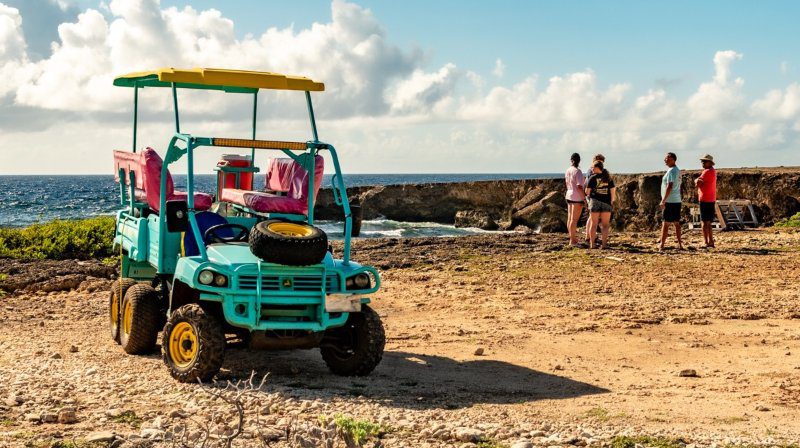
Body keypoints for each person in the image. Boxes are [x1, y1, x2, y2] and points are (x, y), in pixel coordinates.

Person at [585, 160, 616, 249]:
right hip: (606, 203)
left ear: (597, 168)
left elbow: (587, 192)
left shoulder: (592, 178)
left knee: (594, 224)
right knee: (605, 225)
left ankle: (592, 244)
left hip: (595, 202)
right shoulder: (608, 177)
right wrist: (612, 201)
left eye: (593, 167)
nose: (591, 169)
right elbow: (613, 191)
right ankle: (604, 244)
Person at [659, 152, 683, 250]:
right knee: (676, 223)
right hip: (677, 200)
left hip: (670, 200)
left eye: (667, 158)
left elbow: (670, 186)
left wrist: (663, 200)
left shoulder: (672, 171)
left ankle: (662, 244)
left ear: (672, 159)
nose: (665, 160)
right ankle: (680, 244)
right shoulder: (676, 170)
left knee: (666, 223)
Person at [695, 154, 717, 248]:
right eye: (702, 161)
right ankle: (711, 241)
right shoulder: (713, 171)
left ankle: (706, 242)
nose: (702, 163)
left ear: (709, 162)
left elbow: (698, 184)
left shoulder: (706, 172)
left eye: (704, 161)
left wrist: (696, 180)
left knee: (704, 222)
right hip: (711, 199)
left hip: (704, 199)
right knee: (708, 222)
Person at [565, 153, 585, 247]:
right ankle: (572, 241)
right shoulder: (578, 171)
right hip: (577, 197)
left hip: (569, 195)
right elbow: (579, 186)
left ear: (571, 160)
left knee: (570, 219)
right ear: (579, 161)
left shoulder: (568, 170)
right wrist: (584, 198)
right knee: (574, 220)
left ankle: (572, 239)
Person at [584, 153, 606, 244]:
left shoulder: (590, 170)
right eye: (599, 162)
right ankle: (589, 236)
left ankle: (589, 236)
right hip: (593, 196)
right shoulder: (592, 171)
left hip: (592, 195)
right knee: (593, 217)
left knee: (592, 217)